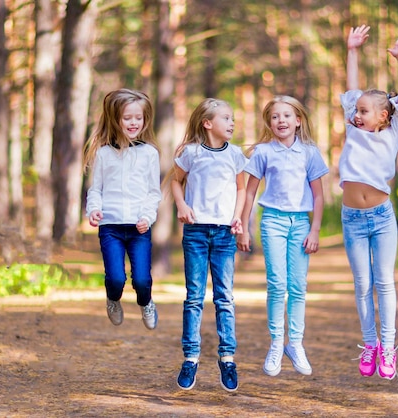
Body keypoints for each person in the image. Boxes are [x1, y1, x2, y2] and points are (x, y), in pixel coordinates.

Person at [339, 25, 398, 380]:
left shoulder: (393, 132)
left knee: (384, 282)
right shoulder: (352, 128)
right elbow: (352, 90)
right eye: (357, 110)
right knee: (362, 284)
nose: (358, 113)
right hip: (352, 218)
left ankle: (389, 347)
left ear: (384, 116)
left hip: (382, 218)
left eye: (366, 110)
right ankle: (369, 344)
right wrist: (352, 50)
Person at [237, 95, 329, 377]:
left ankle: (296, 344)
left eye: (287, 116)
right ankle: (277, 342)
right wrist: (243, 226)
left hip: (301, 223)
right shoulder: (264, 152)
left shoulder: (310, 153)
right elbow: (250, 192)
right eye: (275, 117)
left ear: (298, 121)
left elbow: (318, 194)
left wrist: (315, 229)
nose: (281, 121)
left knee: (298, 286)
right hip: (273, 221)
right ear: (269, 122)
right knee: (277, 284)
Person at [166, 98, 248, 393]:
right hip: (196, 233)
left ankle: (227, 358)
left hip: (225, 233)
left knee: (224, 297)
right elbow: (176, 182)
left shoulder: (236, 155)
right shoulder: (191, 153)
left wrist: (238, 218)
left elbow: (241, 188)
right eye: (226, 118)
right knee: (194, 297)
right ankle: (190, 358)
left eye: (233, 118)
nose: (232, 123)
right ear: (207, 123)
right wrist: (181, 205)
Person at [84, 88, 162, 331]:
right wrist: (94, 209)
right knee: (116, 278)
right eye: (127, 118)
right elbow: (95, 189)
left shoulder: (150, 153)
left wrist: (147, 217)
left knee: (141, 280)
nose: (133, 123)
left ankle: (146, 302)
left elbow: (153, 192)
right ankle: (113, 298)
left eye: (138, 118)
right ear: (115, 119)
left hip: (139, 227)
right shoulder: (103, 153)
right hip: (111, 227)